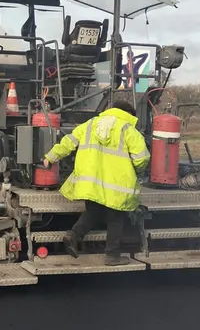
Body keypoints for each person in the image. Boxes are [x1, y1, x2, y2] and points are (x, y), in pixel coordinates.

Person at [43, 99, 150, 265]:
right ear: (128, 115)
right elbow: (142, 157)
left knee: (93, 212)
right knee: (116, 218)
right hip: (117, 184)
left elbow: (69, 142)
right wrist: (137, 171)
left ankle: (73, 236)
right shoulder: (128, 129)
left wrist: (51, 156)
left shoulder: (90, 124)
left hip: (91, 183)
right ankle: (112, 256)